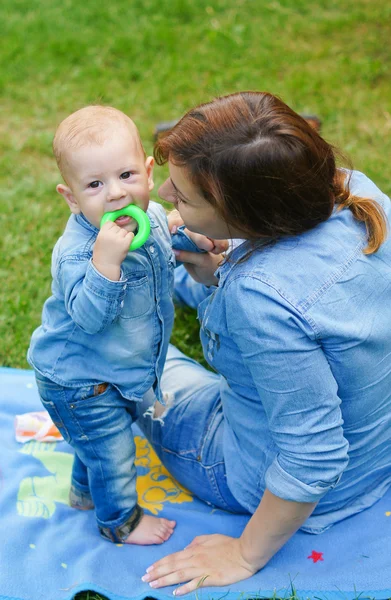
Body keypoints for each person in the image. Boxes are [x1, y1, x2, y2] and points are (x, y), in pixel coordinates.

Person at [135, 91, 391, 594]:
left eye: (183, 197)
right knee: (210, 275)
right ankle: (187, 275)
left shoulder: (261, 299)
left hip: (255, 472)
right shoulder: (356, 193)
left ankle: (158, 281)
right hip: (376, 452)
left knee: (126, 361)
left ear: (249, 219)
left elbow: (312, 458)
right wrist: (219, 274)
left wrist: (244, 554)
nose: (162, 191)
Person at [27, 105, 184, 545]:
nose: (115, 194)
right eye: (95, 184)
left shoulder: (148, 221)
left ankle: (83, 493)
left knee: (96, 445)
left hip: (121, 374)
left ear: (149, 173)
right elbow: (88, 318)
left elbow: (163, 237)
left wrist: (187, 234)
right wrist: (105, 265)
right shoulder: (78, 254)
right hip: (78, 382)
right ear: (72, 198)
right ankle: (120, 522)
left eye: (126, 175)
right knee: (114, 454)